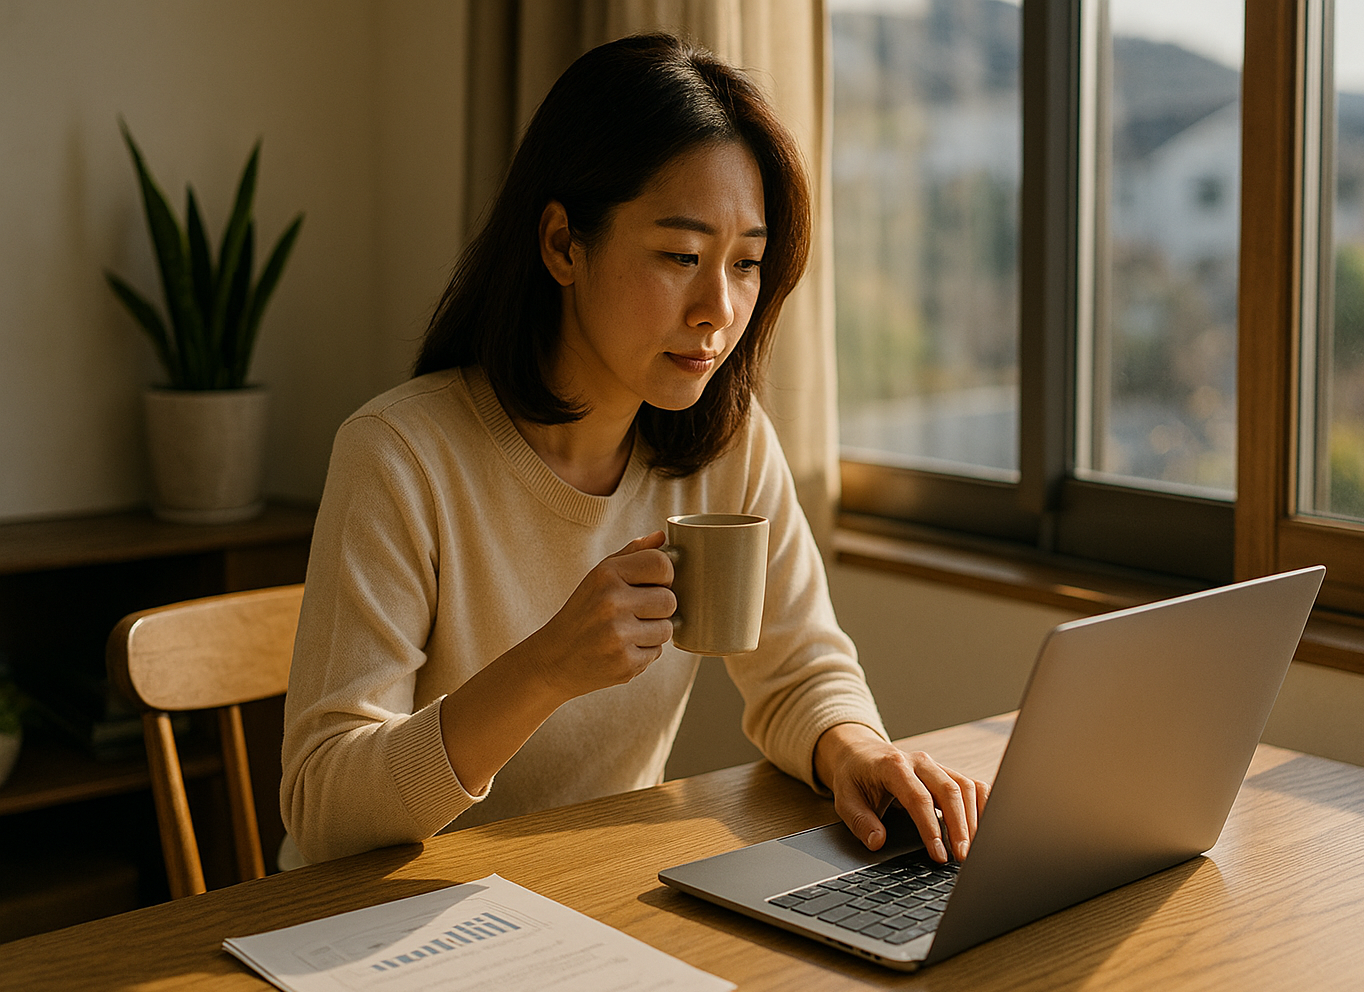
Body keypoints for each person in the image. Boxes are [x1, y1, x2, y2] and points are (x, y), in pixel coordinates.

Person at [280, 33, 988, 868]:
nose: (718, 308)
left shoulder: (725, 444)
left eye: (747, 263)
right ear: (562, 244)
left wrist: (855, 748)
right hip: (396, 915)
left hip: (598, 900)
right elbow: (324, 806)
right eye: (681, 255)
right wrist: (545, 669)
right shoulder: (400, 457)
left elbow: (800, 669)